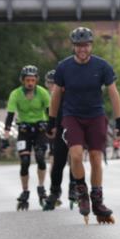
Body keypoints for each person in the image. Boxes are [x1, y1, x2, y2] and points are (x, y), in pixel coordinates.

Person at [47, 27, 120, 224]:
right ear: (73, 47)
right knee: (74, 154)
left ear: (91, 46)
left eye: (86, 45)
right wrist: (52, 120)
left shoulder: (102, 66)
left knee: (96, 157)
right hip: (71, 116)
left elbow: (113, 94)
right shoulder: (64, 67)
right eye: (79, 46)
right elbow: (56, 95)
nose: (83, 49)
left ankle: (97, 201)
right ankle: (81, 192)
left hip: (95, 116)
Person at [2, 65, 52, 211]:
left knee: (40, 157)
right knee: (24, 162)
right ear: (22, 81)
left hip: (40, 129)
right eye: (27, 80)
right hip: (24, 130)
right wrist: (6, 136)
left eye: (33, 80)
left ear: (36, 80)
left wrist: (53, 128)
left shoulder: (43, 92)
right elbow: (10, 116)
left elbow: (50, 113)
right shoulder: (15, 94)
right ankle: (25, 191)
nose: (30, 83)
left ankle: (41, 188)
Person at [41, 69, 75, 211]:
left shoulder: (67, 93)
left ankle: (74, 187)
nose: (52, 86)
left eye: (54, 83)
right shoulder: (45, 96)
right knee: (56, 161)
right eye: (50, 83)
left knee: (74, 157)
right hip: (54, 129)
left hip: (69, 126)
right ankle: (55, 191)